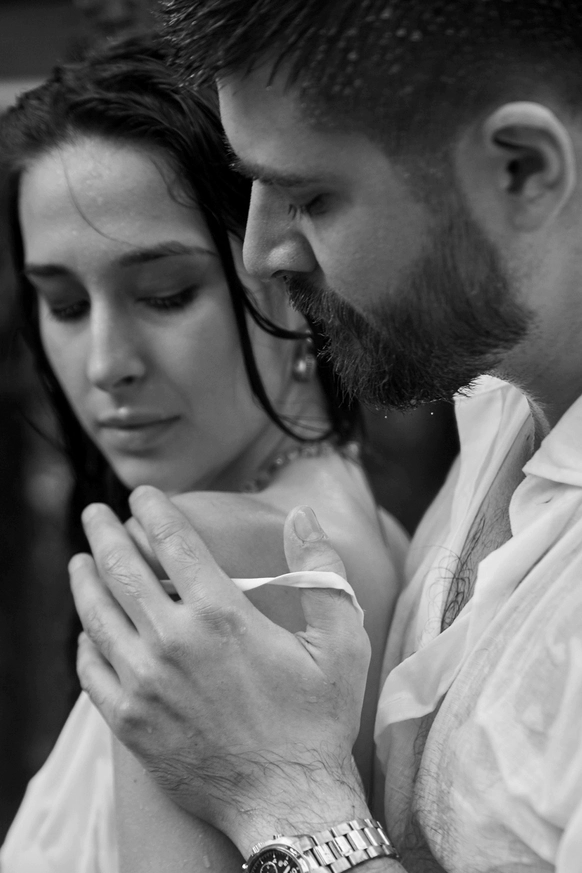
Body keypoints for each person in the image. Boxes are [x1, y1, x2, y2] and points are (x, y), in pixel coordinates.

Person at [41, 1, 582, 871]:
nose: (260, 254)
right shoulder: (499, 407)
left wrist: (282, 792)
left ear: (522, 168)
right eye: (62, 302)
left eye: (311, 197)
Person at [0, 34, 407, 872]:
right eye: (65, 304)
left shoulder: (208, 553)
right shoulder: (367, 519)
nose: (106, 362)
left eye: (165, 293)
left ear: (288, 274)